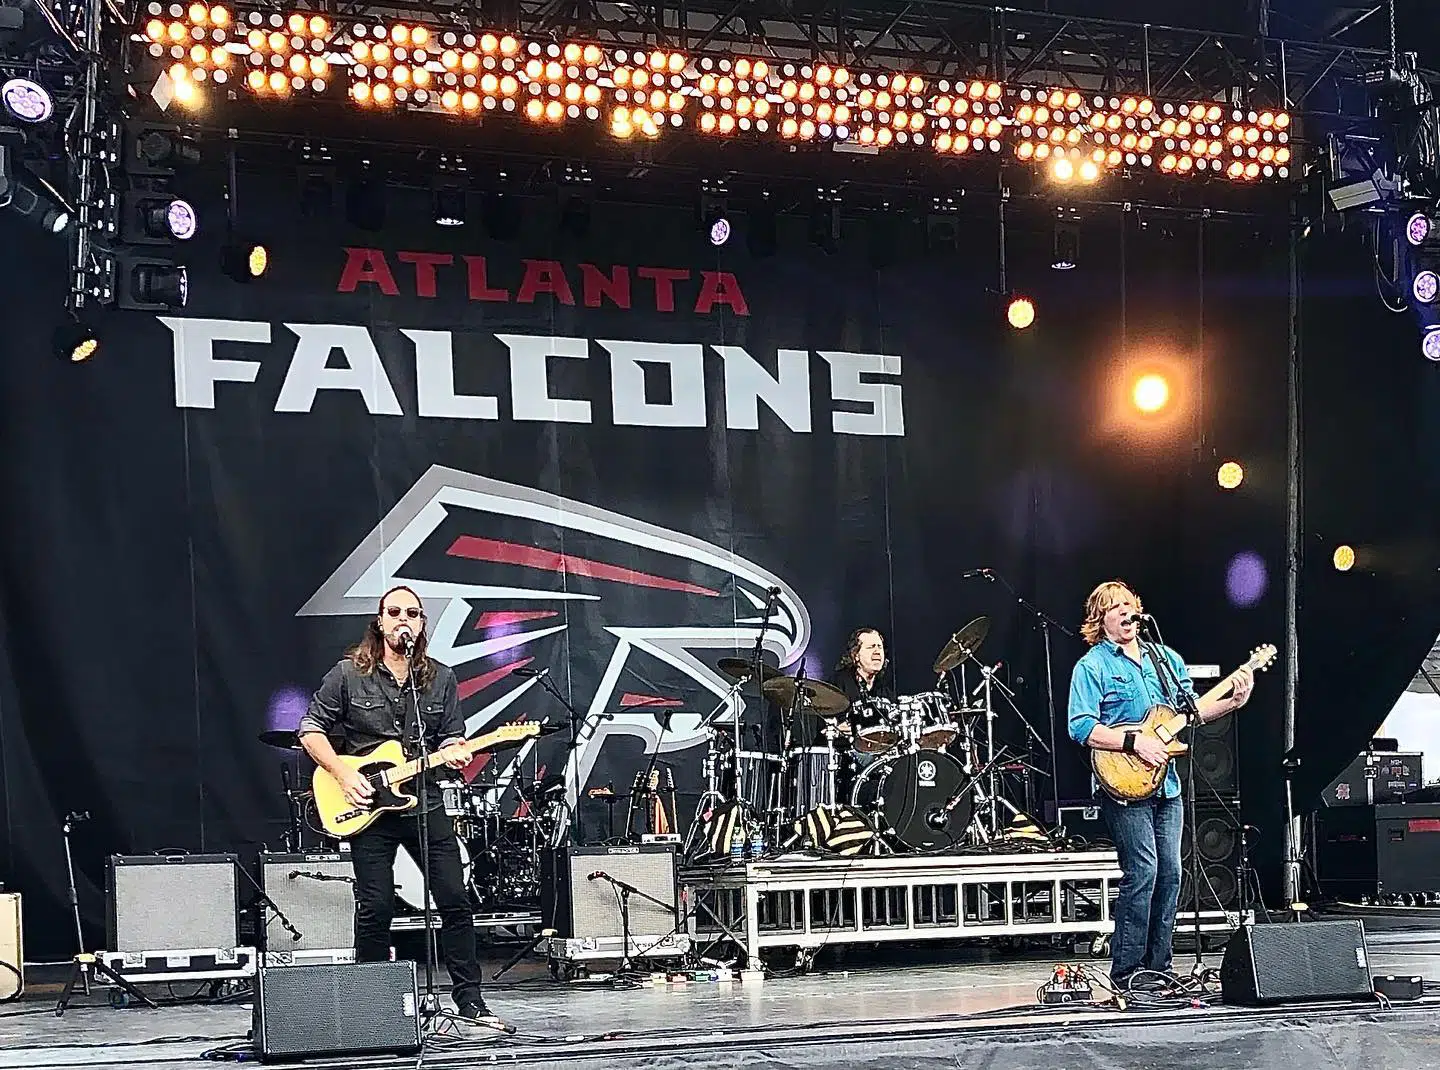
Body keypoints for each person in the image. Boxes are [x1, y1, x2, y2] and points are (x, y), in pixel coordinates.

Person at [298, 585, 503, 1029]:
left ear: (422, 624)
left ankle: (470, 1000)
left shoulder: (439, 678)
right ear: (380, 620)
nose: (402, 620)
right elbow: (310, 729)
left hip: (423, 800)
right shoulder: (348, 674)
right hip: (367, 807)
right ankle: (370, 1004)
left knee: (454, 899)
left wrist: (456, 749)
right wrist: (342, 773)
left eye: (412, 613)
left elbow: (450, 734)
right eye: (394, 612)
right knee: (375, 908)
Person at [1066, 580, 1252, 989]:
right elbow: (1081, 726)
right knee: (1143, 871)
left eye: (1130, 604)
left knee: (1171, 872)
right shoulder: (1092, 666)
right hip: (1124, 782)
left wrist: (1233, 700)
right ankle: (1128, 971)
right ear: (1100, 619)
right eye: (1115, 607)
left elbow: (1192, 712)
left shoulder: (1164, 658)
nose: (1126, 611)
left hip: (1166, 784)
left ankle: (1160, 967)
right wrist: (1135, 741)